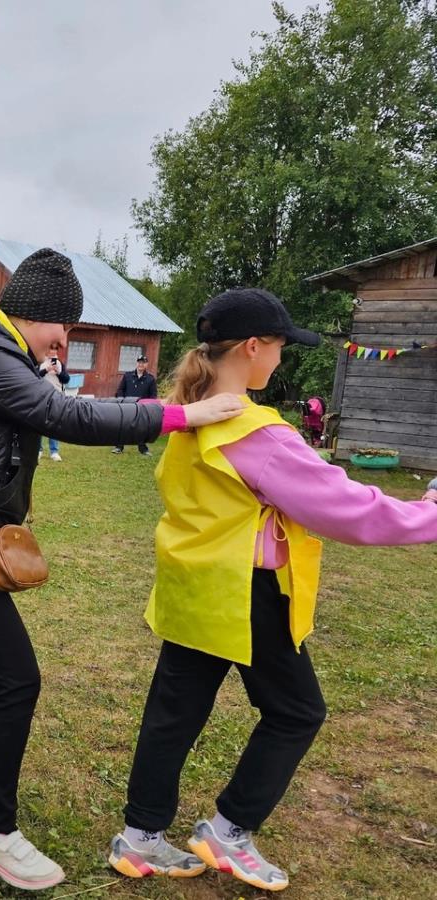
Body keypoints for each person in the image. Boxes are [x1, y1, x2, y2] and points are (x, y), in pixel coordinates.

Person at [0, 249, 245, 892]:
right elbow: (67, 417)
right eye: (65, 328)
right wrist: (181, 415)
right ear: (39, 315)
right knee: (14, 680)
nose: (66, 341)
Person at [107, 287, 437, 893]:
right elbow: (345, 508)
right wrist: (429, 513)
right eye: (280, 347)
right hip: (246, 593)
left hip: (192, 586)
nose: (282, 360)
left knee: (173, 717)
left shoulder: (190, 415)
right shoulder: (257, 430)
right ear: (253, 347)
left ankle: (140, 839)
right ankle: (227, 831)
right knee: (295, 712)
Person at [113, 354, 159, 455]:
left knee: (141, 428)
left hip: (142, 408)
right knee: (123, 426)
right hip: (127, 406)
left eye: (143, 362)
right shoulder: (127, 376)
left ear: (147, 364)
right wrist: (122, 401)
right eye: (139, 362)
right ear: (136, 363)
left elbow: (153, 395)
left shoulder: (150, 379)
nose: (141, 364)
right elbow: (120, 390)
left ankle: (143, 449)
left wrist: (149, 406)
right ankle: (118, 447)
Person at [36, 353, 69, 461]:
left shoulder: (60, 364)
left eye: (55, 351)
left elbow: (66, 379)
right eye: (50, 351)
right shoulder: (40, 362)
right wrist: (46, 370)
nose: (52, 353)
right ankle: (38, 450)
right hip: (42, 396)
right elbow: (34, 376)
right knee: (39, 423)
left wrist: (58, 372)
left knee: (54, 424)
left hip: (56, 397)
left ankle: (54, 452)